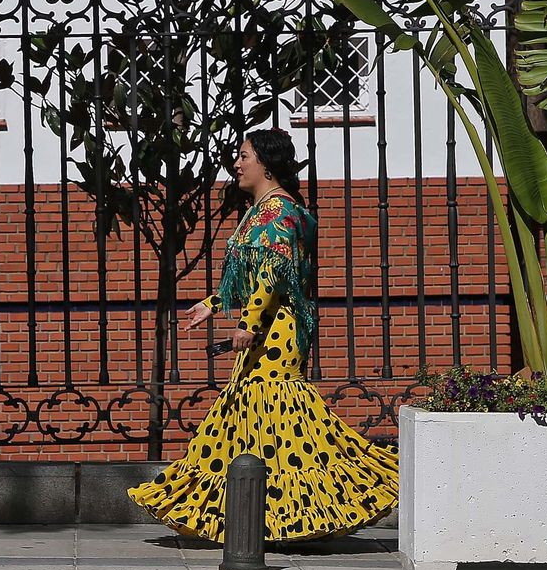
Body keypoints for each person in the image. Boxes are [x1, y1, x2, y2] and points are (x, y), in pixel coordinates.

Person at [128, 129, 398, 542]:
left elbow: (272, 274)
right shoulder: (262, 211)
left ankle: (328, 501)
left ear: (267, 164)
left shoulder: (277, 211)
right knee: (254, 420)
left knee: (283, 418)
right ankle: (268, 517)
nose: (236, 164)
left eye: (244, 156)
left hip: (275, 334)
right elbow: (251, 277)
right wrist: (212, 305)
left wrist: (248, 322)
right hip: (264, 331)